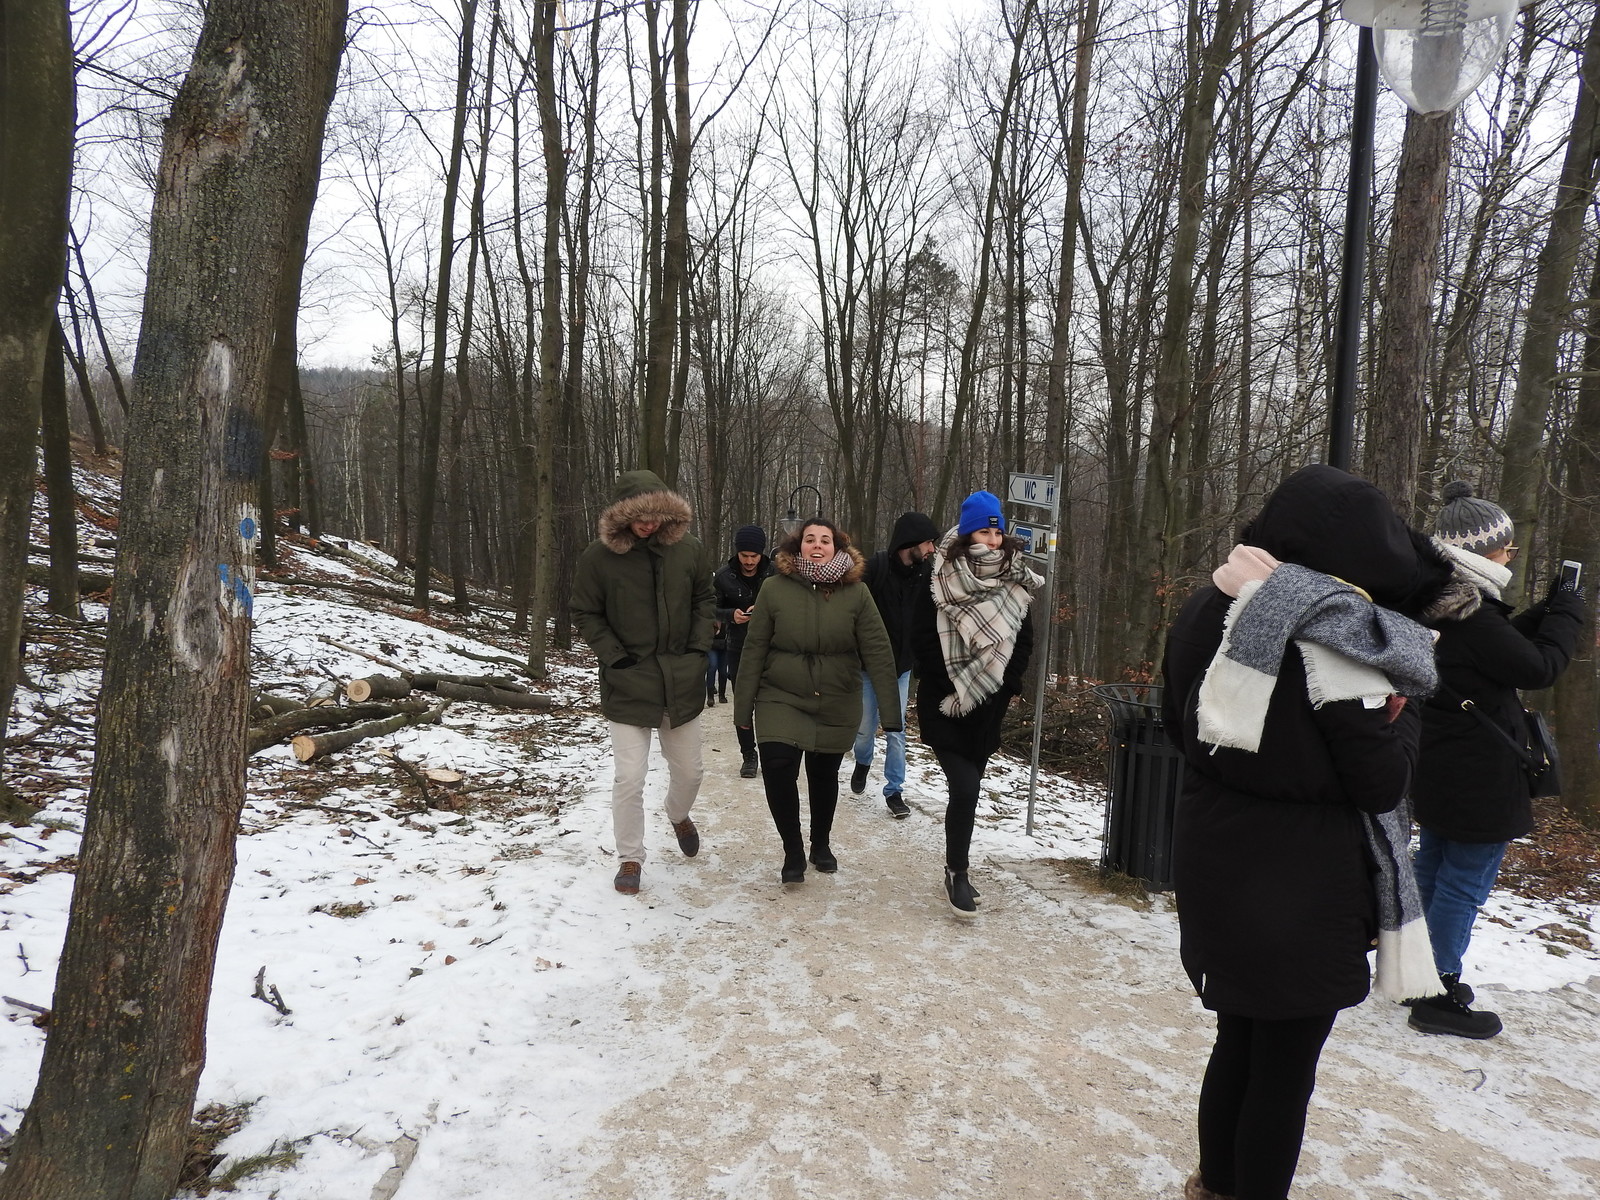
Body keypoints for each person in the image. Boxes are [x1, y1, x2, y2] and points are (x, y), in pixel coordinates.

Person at [1160, 465, 1460, 1200]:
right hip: (1302, 890)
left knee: (1238, 1041)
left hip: (1219, 862)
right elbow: (1380, 780)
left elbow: (1178, 723)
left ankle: (1216, 1185)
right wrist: (1409, 706)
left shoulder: (1213, 603)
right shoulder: (1338, 639)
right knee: (1285, 1072)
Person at [1407, 481, 1584, 1038]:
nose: (1511, 556)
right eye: (1506, 548)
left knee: (1434, 869)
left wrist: (1547, 608)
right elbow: (1537, 668)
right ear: (1482, 552)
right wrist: (1569, 612)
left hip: (1440, 764)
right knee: (1463, 882)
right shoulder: (1473, 616)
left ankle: (1415, 974)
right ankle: (1435, 992)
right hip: (1480, 774)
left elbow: (1500, 649)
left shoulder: (1442, 603)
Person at [570, 470, 715, 895]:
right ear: (622, 515)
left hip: (681, 679)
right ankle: (630, 857)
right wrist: (614, 656)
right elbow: (584, 611)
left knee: (690, 772)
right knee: (629, 777)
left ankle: (678, 814)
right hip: (628, 679)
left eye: (655, 516)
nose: (648, 524)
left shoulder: (689, 550)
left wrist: (697, 649)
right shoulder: (598, 558)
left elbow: (704, 599)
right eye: (639, 516)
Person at [733, 518, 901, 884]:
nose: (817, 545)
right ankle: (792, 849)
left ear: (837, 548)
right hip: (781, 694)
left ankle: (820, 843)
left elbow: (877, 651)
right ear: (799, 547)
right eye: (810, 539)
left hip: (836, 696)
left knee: (823, 774)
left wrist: (891, 715)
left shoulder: (857, 593)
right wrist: (742, 709)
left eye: (825, 540)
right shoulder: (773, 589)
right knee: (778, 766)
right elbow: (754, 648)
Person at [909, 492, 1037, 916]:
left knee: (967, 792)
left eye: (997, 532)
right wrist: (957, 680)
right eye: (985, 532)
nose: (993, 540)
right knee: (965, 787)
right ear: (967, 534)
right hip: (946, 701)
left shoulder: (1014, 579)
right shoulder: (940, 576)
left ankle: (954, 867)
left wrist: (1005, 684)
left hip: (989, 703)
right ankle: (958, 873)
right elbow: (922, 637)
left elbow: (1024, 639)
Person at [851, 511, 939, 818]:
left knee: (896, 730)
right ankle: (863, 761)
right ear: (910, 542)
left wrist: (924, 659)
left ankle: (894, 791)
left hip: (901, 668)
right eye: (928, 542)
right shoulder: (874, 568)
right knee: (864, 730)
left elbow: (931, 623)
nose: (931, 549)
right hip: (867, 667)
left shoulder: (928, 576)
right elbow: (853, 612)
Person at [713, 524, 776, 778]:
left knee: (772, 703)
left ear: (762, 554)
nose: (749, 561)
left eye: (754, 556)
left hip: (773, 647)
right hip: (738, 647)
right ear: (736, 553)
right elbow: (709, 608)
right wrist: (731, 615)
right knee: (743, 703)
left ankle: (772, 752)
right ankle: (749, 754)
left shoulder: (775, 573)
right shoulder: (723, 576)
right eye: (744, 556)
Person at [706, 620, 728, 706]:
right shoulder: (710, 616)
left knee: (723, 671)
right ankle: (710, 697)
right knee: (712, 667)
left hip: (724, 645)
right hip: (711, 645)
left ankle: (722, 695)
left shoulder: (726, 615)